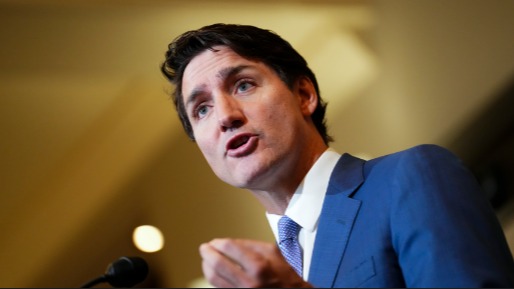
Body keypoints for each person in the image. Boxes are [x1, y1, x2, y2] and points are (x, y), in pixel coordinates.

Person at [160, 23, 514, 287]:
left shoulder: (412, 177)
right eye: (202, 109)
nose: (225, 116)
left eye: (243, 84)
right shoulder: (263, 273)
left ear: (303, 95)